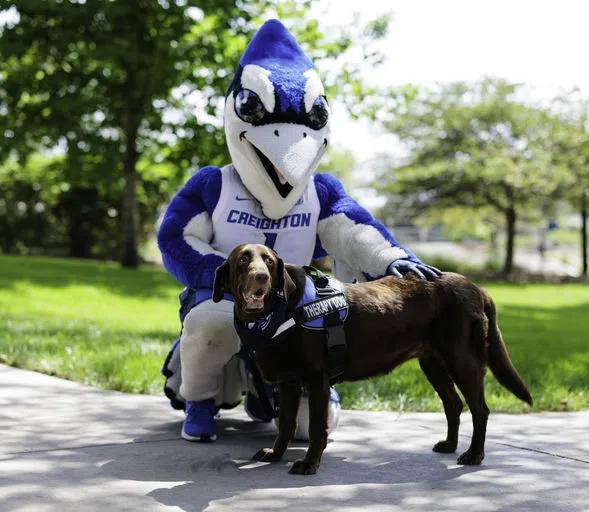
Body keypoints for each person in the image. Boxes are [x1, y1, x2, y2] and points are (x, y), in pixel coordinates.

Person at [158, 19, 440, 442]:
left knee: (314, 431)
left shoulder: (320, 191)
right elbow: (175, 239)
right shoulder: (214, 184)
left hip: (296, 306)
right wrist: (223, 277)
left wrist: (394, 259)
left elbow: (355, 230)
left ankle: (274, 387)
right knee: (209, 322)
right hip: (227, 301)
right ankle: (200, 399)